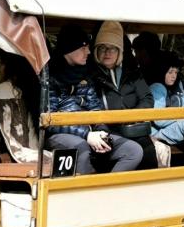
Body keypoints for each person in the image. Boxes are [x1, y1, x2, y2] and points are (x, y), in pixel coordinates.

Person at [46, 25, 143, 175]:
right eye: (83, 48)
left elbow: (95, 108)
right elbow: (49, 122)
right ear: (69, 49)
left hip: (90, 132)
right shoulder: (49, 78)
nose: (89, 52)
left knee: (133, 150)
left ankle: (109, 187)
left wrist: (102, 131)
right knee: (82, 148)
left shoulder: (85, 75)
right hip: (62, 134)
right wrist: (86, 135)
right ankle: (86, 188)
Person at [88, 21, 159, 170]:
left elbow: (147, 98)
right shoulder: (90, 76)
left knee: (148, 152)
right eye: (102, 47)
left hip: (132, 128)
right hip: (107, 130)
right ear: (96, 51)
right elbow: (91, 106)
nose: (107, 52)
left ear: (119, 52)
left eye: (113, 48)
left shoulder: (132, 73)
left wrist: (132, 117)